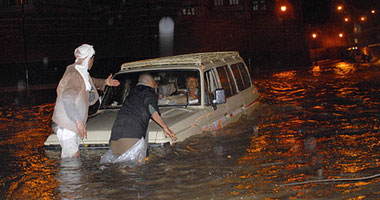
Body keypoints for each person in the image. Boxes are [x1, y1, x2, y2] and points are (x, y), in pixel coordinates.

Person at [52, 44, 120, 158]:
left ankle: (68, 175)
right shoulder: (74, 75)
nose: (92, 62)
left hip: (71, 124)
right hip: (66, 124)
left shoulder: (81, 73)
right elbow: (67, 99)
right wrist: (78, 121)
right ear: (87, 59)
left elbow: (91, 81)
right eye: (92, 59)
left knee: (69, 157)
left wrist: (105, 82)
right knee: (73, 158)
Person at [109, 73, 177, 156]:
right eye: (155, 83)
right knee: (135, 167)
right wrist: (165, 127)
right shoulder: (149, 91)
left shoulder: (132, 93)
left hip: (114, 139)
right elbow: (151, 108)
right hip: (131, 138)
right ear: (150, 82)